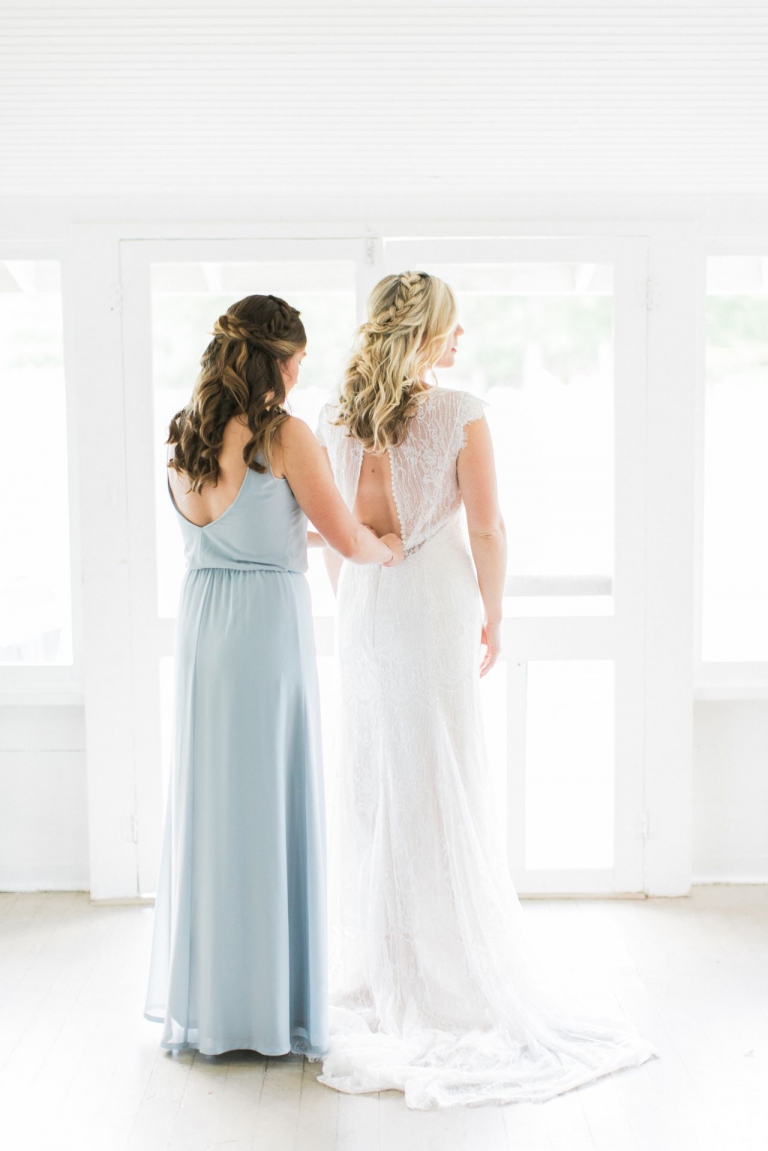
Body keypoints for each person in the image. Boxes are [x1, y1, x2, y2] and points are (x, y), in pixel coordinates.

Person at [315, 271, 657, 1108]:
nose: (460, 341)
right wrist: (496, 615)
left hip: (363, 607)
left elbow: (333, 535)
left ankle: (389, 964)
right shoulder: (461, 411)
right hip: (432, 607)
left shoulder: (330, 416)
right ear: (426, 333)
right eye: (452, 327)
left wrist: (352, 601)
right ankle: (445, 971)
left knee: (378, 784)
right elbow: (487, 525)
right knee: (440, 778)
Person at [144, 293, 403, 1059]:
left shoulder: (185, 433)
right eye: (299, 358)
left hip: (203, 630)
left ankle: (216, 1006)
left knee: (217, 812)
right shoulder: (283, 432)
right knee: (268, 809)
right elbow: (347, 538)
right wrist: (391, 542)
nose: (300, 373)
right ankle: (270, 1009)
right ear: (279, 360)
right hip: (264, 630)